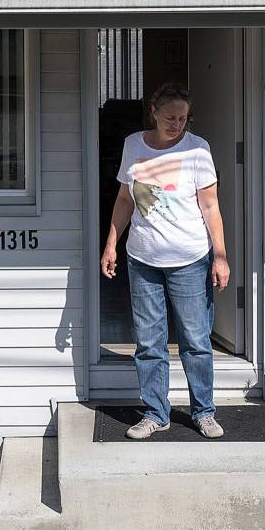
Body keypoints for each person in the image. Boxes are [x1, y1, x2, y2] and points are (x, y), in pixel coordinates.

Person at [101, 83, 231, 440]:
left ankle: (204, 411)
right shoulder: (133, 145)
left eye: (183, 118)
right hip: (143, 257)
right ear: (154, 113)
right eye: (171, 117)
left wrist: (220, 256)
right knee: (148, 342)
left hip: (190, 258)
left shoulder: (197, 149)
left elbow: (210, 206)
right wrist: (112, 243)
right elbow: (126, 198)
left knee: (196, 340)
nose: (177, 124)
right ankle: (156, 413)